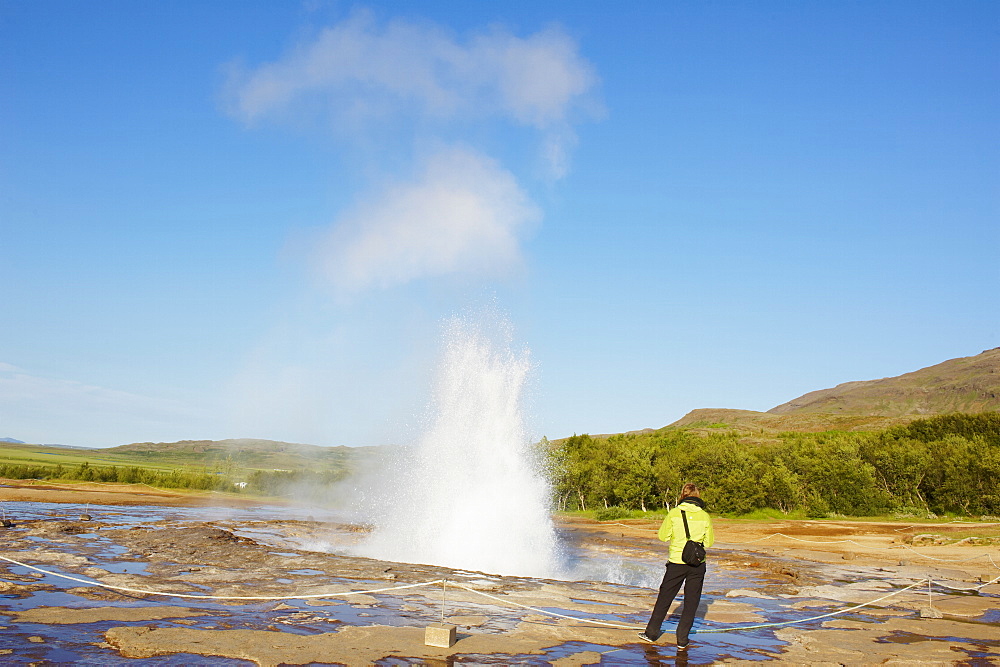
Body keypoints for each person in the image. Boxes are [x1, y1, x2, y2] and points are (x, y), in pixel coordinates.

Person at [638, 483, 715, 650]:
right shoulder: (704, 515)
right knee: (692, 601)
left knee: (665, 597)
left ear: (683, 495)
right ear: (697, 495)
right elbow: (709, 542)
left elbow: (662, 536)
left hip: (676, 562)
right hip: (697, 563)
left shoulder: (674, 513)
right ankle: (682, 639)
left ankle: (651, 634)